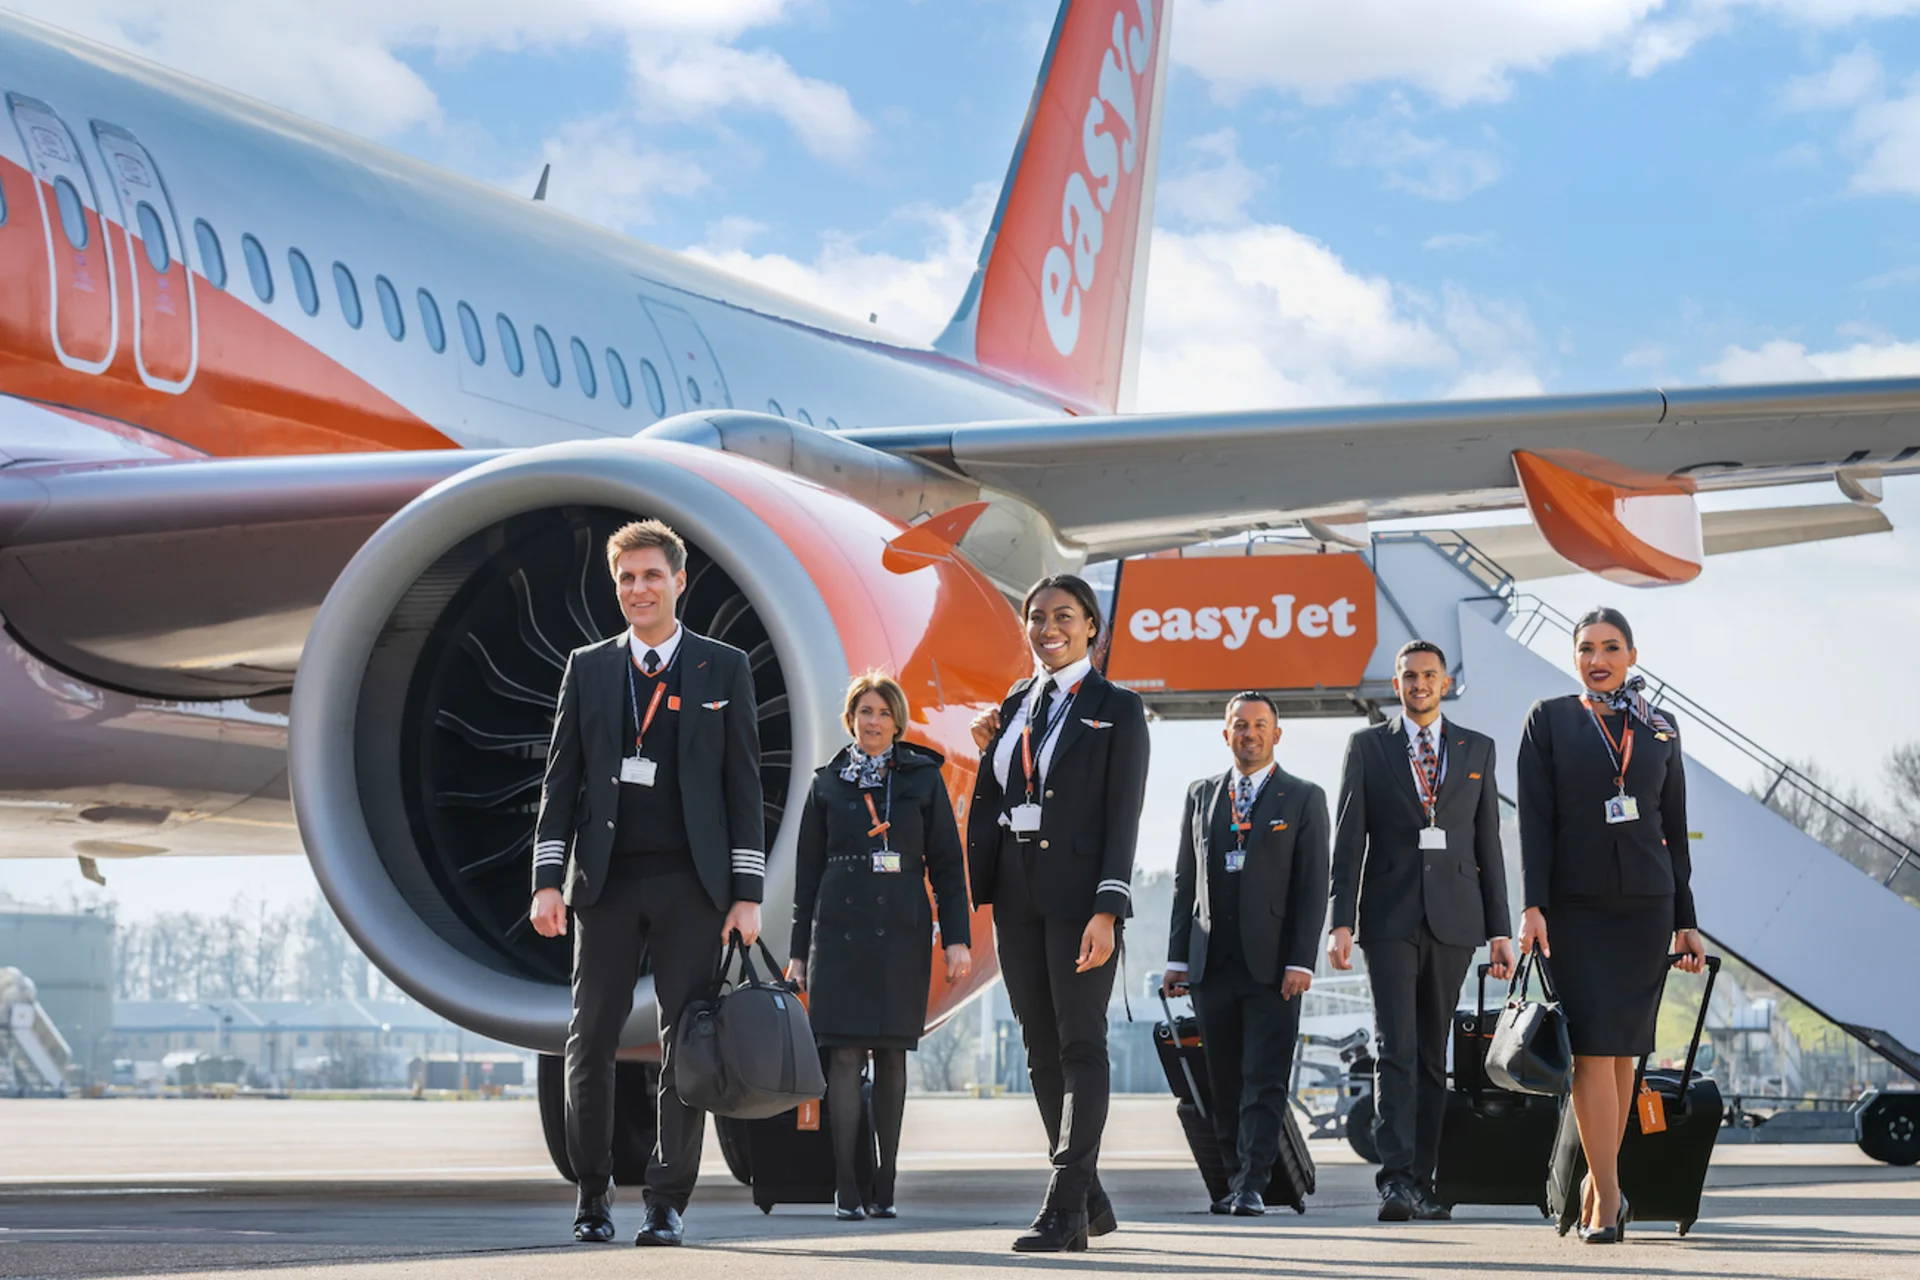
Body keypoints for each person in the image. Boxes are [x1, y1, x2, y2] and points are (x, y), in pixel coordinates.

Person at [527, 519, 766, 1249]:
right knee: (588, 1038)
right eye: (626, 578)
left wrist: (746, 893)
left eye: (651, 576)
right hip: (606, 883)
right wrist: (547, 879)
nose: (638, 589)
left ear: (679, 581)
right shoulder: (589, 667)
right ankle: (593, 1195)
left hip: (690, 885)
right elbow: (560, 780)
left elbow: (744, 786)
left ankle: (666, 1201)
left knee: (683, 1041)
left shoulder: (723, 668)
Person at [968, 574, 1149, 1253]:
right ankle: (1087, 1197)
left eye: (1064, 616)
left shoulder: (1116, 707)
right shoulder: (1018, 701)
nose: (1049, 627)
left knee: (1080, 1044)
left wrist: (1109, 909)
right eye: (1038, 616)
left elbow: (1121, 817)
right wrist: (994, 744)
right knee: (1039, 1047)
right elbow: (1006, 787)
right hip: (1016, 890)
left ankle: (1064, 1204)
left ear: (1091, 626)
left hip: (1079, 900)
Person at [1516, 607, 1706, 1245]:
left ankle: (1602, 1186)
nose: (1598, 658)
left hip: (1647, 907)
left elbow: (1671, 827)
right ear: (1575, 657)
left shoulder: (1659, 726)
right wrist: (1532, 905)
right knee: (1591, 1052)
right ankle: (1608, 1194)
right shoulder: (1549, 719)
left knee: (1624, 1052)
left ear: (1632, 655)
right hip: (1575, 906)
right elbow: (1535, 822)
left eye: (1611, 647)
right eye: (1587, 648)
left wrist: (1687, 920)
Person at [1328, 639, 1514, 1222]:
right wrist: (1340, 921)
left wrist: (1500, 930)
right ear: (1397, 682)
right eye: (1409, 676)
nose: (1419, 684)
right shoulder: (1367, 747)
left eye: (1429, 675)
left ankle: (1425, 1180)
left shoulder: (1476, 748)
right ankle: (1395, 1181)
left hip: (1456, 918)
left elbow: (1489, 845)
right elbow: (1347, 840)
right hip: (1386, 916)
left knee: (1435, 1055)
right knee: (1396, 1049)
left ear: (1445, 683)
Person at [787, 671, 973, 1221]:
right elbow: (805, 877)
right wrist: (799, 953)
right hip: (838, 931)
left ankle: (884, 1182)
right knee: (842, 1057)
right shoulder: (826, 784)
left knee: (892, 1055)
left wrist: (957, 939)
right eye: (864, 712)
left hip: (901, 930)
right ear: (851, 719)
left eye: (883, 713)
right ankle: (847, 1185)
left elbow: (947, 864)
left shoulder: (922, 778)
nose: (873, 722)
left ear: (898, 721)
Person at [1162, 691, 1330, 1217]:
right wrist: (1178, 958)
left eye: (1260, 725)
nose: (1249, 733)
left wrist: (1302, 960)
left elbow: (1311, 885)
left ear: (1276, 734)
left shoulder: (1303, 797)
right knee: (1225, 1080)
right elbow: (1184, 881)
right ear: (1225, 733)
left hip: (1274, 969)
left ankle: (1255, 1182)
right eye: (1240, 725)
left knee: (1265, 1078)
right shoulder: (1201, 794)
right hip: (1212, 964)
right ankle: (1236, 1180)